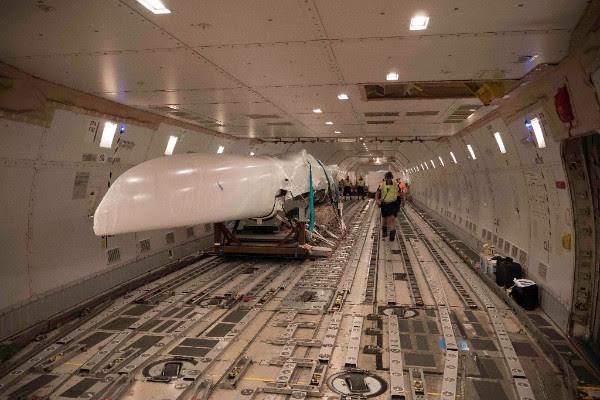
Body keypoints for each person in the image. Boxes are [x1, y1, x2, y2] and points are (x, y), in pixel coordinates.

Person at [376, 171, 398, 241]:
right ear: (385, 178)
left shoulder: (395, 184)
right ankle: (384, 231)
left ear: (391, 178)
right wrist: (377, 200)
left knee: (392, 218)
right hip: (384, 203)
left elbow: (400, 192)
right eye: (387, 178)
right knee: (385, 219)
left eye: (390, 178)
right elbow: (377, 192)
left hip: (392, 203)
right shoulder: (382, 184)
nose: (388, 179)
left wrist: (403, 200)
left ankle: (392, 234)